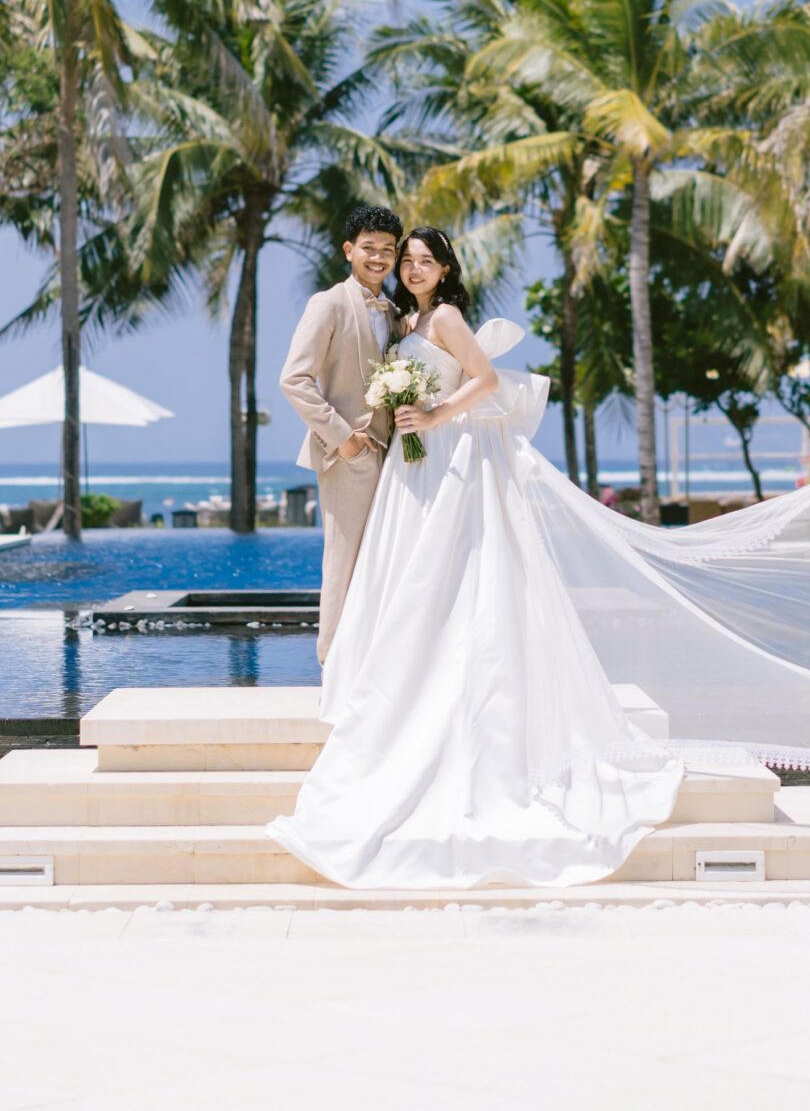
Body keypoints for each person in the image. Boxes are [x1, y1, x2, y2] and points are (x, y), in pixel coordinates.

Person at [267, 227, 683, 889]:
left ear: (445, 268)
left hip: (441, 458)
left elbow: (484, 379)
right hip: (409, 469)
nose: (411, 268)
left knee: (446, 576)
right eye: (406, 260)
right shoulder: (405, 319)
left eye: (423, 260)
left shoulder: (446, 317)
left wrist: (433, 417)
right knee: (405, 575)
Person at [277, 205, 403, 664]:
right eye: (369, 248)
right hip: (349, 455)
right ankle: (331, 666)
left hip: (396, 456)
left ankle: (372, 667)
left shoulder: (395, 312)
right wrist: (343, 439)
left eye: (387, 250)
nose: (378, 257)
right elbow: (294, 379)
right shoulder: (328, 303)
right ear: (349, 250)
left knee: (383, 562)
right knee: (343, 561)